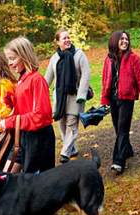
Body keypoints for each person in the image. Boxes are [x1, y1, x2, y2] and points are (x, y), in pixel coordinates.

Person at [0, 36, 65, 215]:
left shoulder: (37, 80)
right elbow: (24, 110)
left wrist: (11, 121)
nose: (10, 63)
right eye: (8, 59)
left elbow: (41, 117)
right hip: (25, 138)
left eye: (13, 58)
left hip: (39, 139)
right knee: (10, 176)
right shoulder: (21, 80)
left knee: (38, 186)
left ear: (24, 55)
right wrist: (11, 102)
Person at [101, 30, 140, 175]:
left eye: (127, 39)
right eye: (122, 39)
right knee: (118, 128)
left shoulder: (134, 58)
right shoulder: (109, 59)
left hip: (127, 99)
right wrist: (104, 100)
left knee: (122, 129)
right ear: (114, 41)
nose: (125, 41)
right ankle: (127, 150)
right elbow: (105, 80)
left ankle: (118, 161)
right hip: (113, 98)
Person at [45, 28, 91, 164]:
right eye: (64, 38)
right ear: (58, 42)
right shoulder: (55, 58)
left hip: (75, 96)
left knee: (72, 124)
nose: (67, 40)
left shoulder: (79, 54)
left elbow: (86, 75)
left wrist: (82, 94)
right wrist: (40, 91)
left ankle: (65, 153)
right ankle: (72, 148)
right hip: (59, 98)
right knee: (62, 124)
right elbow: (48, 77)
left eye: (68, 37)